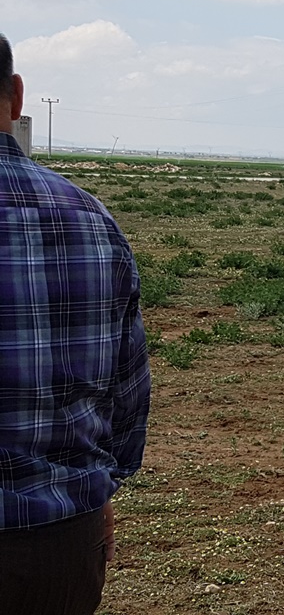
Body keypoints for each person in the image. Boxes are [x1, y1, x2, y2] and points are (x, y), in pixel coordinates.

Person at [0, 33, 151, 614]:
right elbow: (128, 386)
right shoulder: (90, 220)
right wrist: (100, 486)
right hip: (61, 536)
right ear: (16, 97)